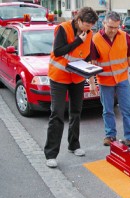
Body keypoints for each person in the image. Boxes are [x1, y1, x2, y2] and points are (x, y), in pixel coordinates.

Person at [44, 7, 98, 168]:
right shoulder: (63, 28)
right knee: (57, 114)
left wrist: (91, 73)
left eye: (91, 26)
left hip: (77, 77)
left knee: (76, 112)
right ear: (78, 20)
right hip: (59, 77)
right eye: (86, 25)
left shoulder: (89, 34)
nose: (88, 29)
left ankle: (74, 145)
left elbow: (86, 55)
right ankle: (51, 154)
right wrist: (77, 42)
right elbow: (58, 51)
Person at [92, 11, 130, 148]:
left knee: (127, 110)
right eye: (110, 27)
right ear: (104, 23)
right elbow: (92, 62)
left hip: (122, 79)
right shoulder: (95, 39)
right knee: (107, 110)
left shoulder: (125, 37)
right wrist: (92, 82)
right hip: (105, 81)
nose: (113, 30)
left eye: (116, 27)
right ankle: (110, 135)